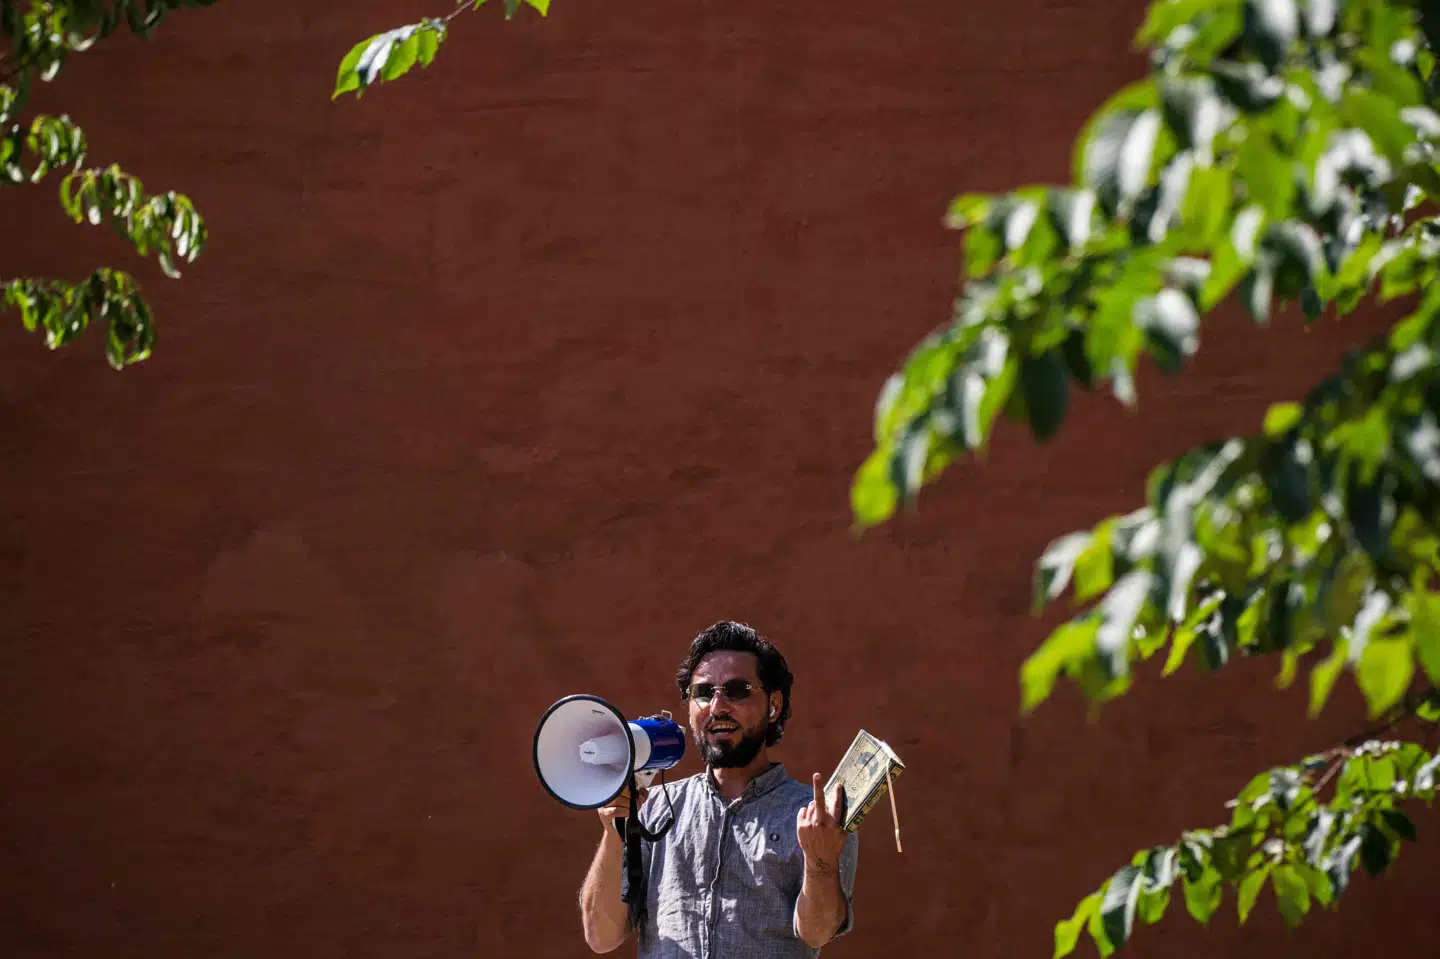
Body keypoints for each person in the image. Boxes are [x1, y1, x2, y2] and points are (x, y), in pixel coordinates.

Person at [578, 620, 859, 957]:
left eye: (737, 690)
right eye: (702, 692)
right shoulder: (653, 807)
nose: (717, 706)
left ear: (773, 705)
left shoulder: (815, 818)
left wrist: (820, 862)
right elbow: (601, 936)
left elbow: (817, 932)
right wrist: (614, 831)